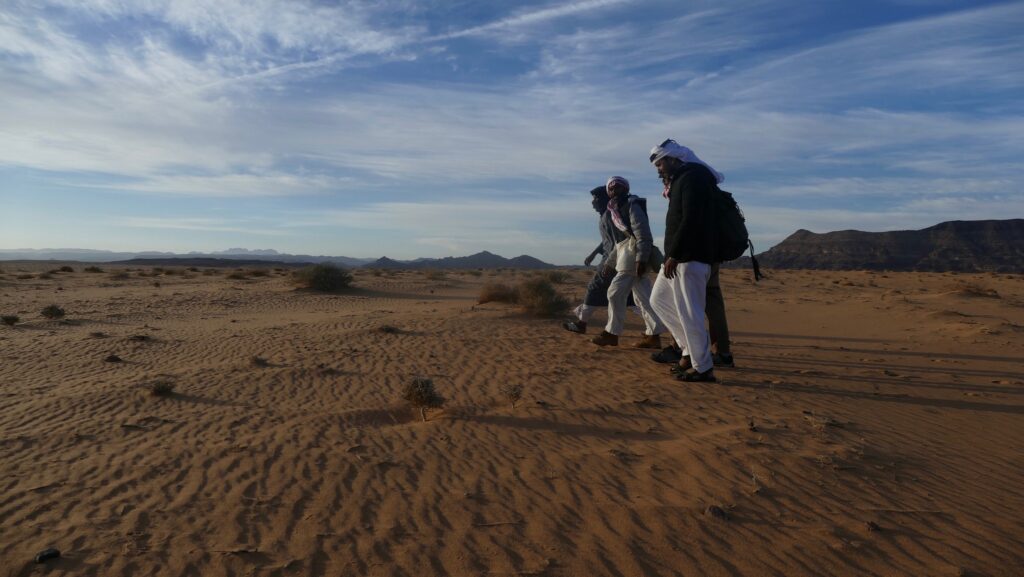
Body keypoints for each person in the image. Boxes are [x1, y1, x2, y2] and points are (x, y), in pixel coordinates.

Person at [647, 140, 723, 382]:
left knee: (691, 314)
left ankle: (703, 368)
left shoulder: (694, 177)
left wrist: (676, 254)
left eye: (660, 163)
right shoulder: (682, 179)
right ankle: (689, 350)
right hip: (678, 259)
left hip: (689, 258)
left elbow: (692, 219)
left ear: (672, 159)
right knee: (658, 300)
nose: (658, 169)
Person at [591, 176, 667, 348]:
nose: (614, 190)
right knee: (643, 299)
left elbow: (643, 234)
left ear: (625, 188)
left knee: (614, 292)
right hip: (627, 254)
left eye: (617, 187)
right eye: (611, 188)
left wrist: (641, 258)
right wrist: (610, 262)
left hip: (634, 256)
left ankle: (612, 333)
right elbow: (620, 242)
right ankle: (654, 335)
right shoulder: (615, 210)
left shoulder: (632, 205)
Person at [563, 187, 618, 334]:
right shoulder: (606, 216)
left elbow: (616, 241)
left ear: (605, 200)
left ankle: (581, 324)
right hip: (616, 261)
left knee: (594, 289)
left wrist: (610, 262)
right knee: (632, 298)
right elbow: (607, 241)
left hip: (611, 262)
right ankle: (655, 333)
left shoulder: (609, 216)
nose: (592, 202)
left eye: (595, 199)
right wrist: (594, 253)